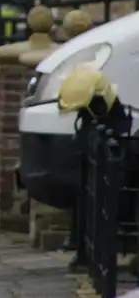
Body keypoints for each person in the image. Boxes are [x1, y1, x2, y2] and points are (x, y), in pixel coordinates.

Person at [58, 66, 133, 271]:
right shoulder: (89, 119)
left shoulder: (112, 116)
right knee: (87, 199)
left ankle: (93, 253)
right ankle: (84, 249)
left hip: (108, 179)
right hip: (90, 178)